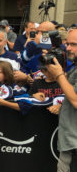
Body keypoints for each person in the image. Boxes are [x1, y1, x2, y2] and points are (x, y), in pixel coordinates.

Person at [46, 28, 77, 172]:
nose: (68, 48)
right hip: (70, 141)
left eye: (74, 44)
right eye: (68, 43)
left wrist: (59, 75)